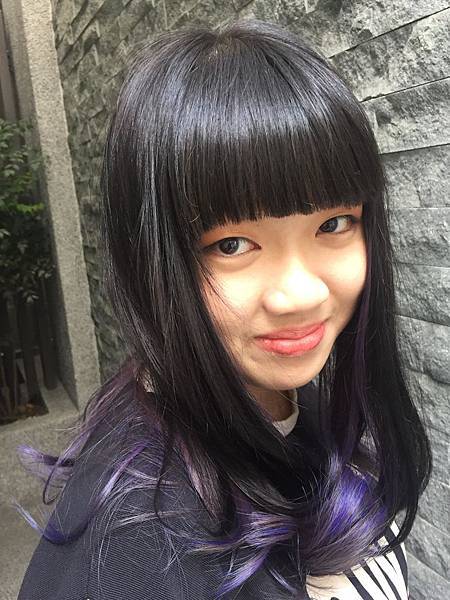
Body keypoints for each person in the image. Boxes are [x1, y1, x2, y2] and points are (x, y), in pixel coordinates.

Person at [16, 18, 431, 600]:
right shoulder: (139, 542)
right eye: (232, 245)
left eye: (334, 223)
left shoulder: (284, 396)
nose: (301, 295)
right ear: (152, 261)